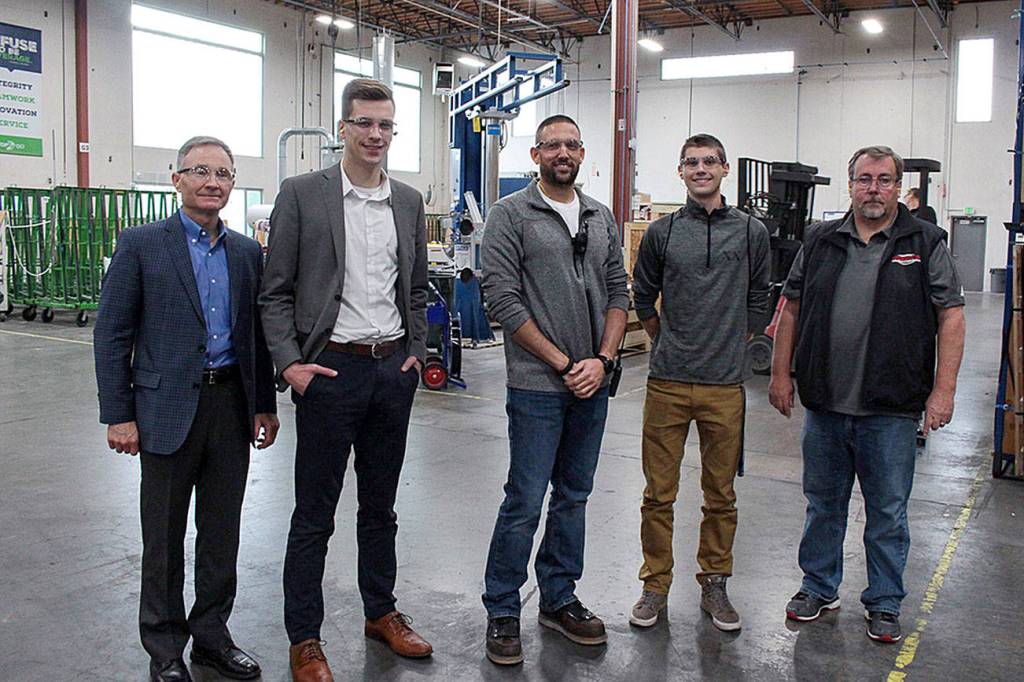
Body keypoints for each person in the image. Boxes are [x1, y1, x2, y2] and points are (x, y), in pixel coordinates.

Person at [259, 78, 432, 681]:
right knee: (315, 513)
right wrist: (291, 366)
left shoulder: (407, 203)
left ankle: (380, 612)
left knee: (380, 508)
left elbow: (414, 288)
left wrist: (416, 351)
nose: (376, 135)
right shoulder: (303, 195)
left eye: (385, 125)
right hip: (330, 371)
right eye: (364, 123)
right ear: (342, 129)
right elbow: (274, 292)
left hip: (391, 372)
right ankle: (304, 637)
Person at [94, 136, 279, 682]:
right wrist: (118, 414)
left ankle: (212, 638)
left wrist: (263, 405)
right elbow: (112, 334)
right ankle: (166, 648)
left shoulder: (247, 253)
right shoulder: (141, 244)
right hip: (165, 410)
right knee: (165, 536)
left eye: (223, 173)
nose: (212, 182)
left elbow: (255, 338)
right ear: (176, 179)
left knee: (221, 533)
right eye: (200, 171)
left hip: (230, 407)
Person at [769, 145, 965, 643]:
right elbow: (789, 308)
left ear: (898, 187)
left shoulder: (923, 241)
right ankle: (818, 586)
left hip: (891, 408)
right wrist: (780, 374)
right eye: (864, 179)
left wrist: (942, 392)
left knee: (887, 512)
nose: (873, 188)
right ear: (851, 185)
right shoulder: (820, 240)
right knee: (823, 503)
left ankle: (883, 601)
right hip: (827, 402)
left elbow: (952, 315)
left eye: (883, 179)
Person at [479, 114, 629, 666]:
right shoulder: (510, 214)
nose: (562, 152)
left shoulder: (599, 215)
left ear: (582, 153)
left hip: (594, 382)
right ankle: (501, 607)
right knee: (524, 498)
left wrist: (604, 360)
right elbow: (502, 299)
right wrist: (567, 363)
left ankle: (559, 598)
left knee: (574, 496)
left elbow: (619, 289)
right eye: (551, 145)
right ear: (536, 155)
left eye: (571, 143)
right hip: (539, 386)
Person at [629, 133, 771, 632]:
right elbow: (643, 294)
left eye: (710, 161)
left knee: (721, 494)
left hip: (724, 386)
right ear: (681, 172)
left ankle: (714, 582)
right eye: (692, 162)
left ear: (725, 169)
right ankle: (655, 585)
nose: (701, 169)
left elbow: (760, 295)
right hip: (667, 382)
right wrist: (665, 339)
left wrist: (735, 342)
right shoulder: (664, 233)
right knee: (657, 495)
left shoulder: (751, 231)